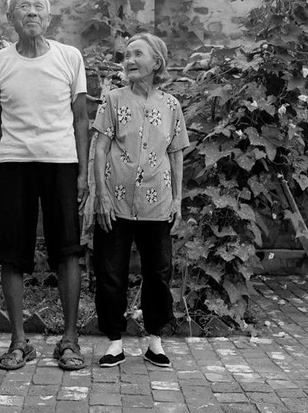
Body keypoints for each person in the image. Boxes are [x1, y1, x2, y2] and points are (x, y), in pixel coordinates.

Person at [0, 0, 89, 371]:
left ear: (49, 16)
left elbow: (80, 118)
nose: (31, 13)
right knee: (12, 252)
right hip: (14, 164)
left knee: (67, 250)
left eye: (38, 7)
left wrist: (83, 174)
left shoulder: (69, 57)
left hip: (60, 162)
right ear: (10, 18)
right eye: (22, 7)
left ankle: (70, 341)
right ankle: (18, 341)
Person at [92, 32, 189, 368]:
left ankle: (155, 341)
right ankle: (115, 342)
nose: (129, 60)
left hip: (158, 202)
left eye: (137, 54)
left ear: (156, 63)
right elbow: (100, 148)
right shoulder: (113, 99)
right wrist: (100, 194)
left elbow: (176, 154)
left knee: (159, 273)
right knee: (110, 272)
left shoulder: (172, 104)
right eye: (126, 55)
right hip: (115, 203)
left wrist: (178, 199)